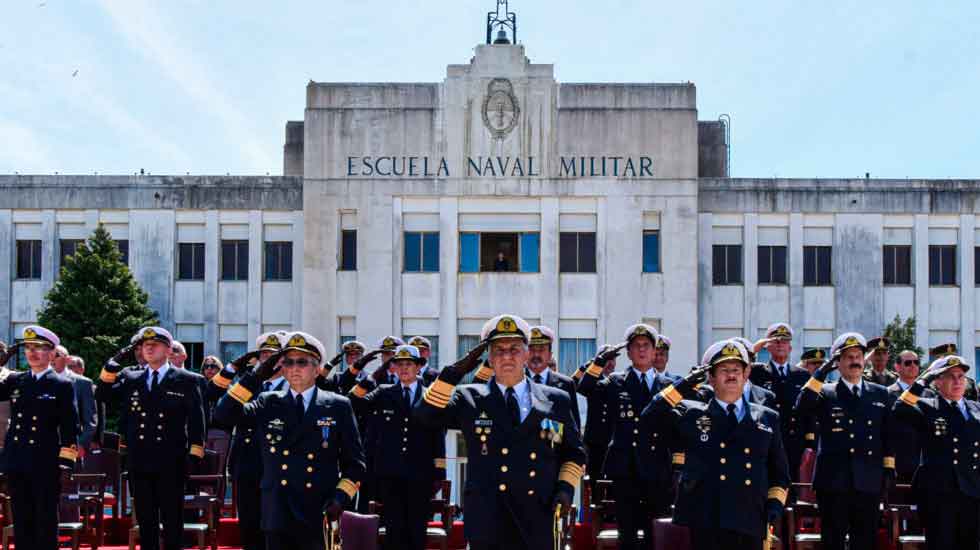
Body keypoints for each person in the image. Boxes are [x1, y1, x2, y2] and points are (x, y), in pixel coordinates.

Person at [415, 314, 586, 549]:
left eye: (514, 349)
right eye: (498, 350)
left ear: (527, 353)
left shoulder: (556, 399)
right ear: (489, 358)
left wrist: (565, 488)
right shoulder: (469, 398)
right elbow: (424, 416)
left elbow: (573, 453)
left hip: (538, 514)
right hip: (488, 518)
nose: (507, 356)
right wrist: (452, 374)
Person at [213, 331, 366, 550]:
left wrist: (340, 498)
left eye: (302, 362)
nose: (294, 368)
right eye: (288, 362)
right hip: (278, 509)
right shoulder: (267, 402)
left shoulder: (337, 405)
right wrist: (255, 377)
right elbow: (222, 416)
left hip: (318, 508)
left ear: (317, 368)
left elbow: (355, 464)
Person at [645, 339, 789, 550]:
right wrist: (683, 385)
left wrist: (774, 505)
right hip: (707, 517)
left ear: (746, 374)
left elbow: (780, 473)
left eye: (736, 369)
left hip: (751, 515)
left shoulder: (767, 418)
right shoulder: (692, 414)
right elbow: (649, 418)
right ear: (710, 378)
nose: (731, 375)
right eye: (723, 370)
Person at [96, 326, 206, 550]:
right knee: (146, 521)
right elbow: (103, 394)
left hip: (172, 461)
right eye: (145, 345)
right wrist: (112, 364)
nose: (148, 348)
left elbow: (197, 422)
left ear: (168, 350)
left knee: (172, 520)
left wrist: (194, 456)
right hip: (139, 460)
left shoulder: (186, 380)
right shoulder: (130, 377)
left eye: (154, 344)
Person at [575, 324, 674, 550]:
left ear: (654, 350)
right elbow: (585, 388)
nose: (641, 350)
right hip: (625, 469)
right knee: (627, 534)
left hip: (656, 469)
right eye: (636, 346)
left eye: (646, 346)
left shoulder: (667, 386)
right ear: (628, 353)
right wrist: (599, 362)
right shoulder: (615, 382)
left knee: (655, 533)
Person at [794, 332, 895, 550]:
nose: (855, 361)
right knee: (833, 540)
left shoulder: (880, 393)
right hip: (833, 481)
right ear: (837, 363)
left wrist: (887, 469)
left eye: (858, 356)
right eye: (848, 357)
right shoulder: (826, 392)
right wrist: (821, 372)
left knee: (865, 540)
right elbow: (801, 406)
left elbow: (888, 434)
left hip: (868, 479)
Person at [348, 345, 446, 550]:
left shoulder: (431, 395)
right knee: (393, 531)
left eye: (409, 364)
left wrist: (439, 473)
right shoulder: (384, 393)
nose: (404, 369)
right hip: (390, 474)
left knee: (417, 531)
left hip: (421, 475)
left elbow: (438, 436)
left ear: (419, 367)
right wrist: (371, 378)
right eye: (399, 364)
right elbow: (354, 403)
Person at [0, 326, 79, 550]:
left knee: (44, 519)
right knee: (22, 520)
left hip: (44, 461)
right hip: (16, 459)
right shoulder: (16, 380)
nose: (33, 353)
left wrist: (66, 462)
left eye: (40, 348)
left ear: (53, 353)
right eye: (29, 348)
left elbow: (70, 426)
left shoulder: (61, 384)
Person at [209, 331, 289, 550]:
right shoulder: (248, 385)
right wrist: (238, 371)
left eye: (273, 355)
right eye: (263, 355)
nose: (267, 360)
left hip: (279, 468)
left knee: (276, 527)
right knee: (249, 526)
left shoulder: (293, 386)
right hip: (247, 464)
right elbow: (219, 408)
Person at [893, 355, 980, 549]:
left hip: (972, 492)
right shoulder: (927, 406)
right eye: (950, 376)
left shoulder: (976, 409)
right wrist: (923, 379)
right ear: (938, 381)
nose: (957, 381)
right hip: (939, 494)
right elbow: (899, 408)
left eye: (961, 376)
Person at [750, 323, 810, 482]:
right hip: (767, 436)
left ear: (790, 347)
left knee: (794, 483)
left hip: (794, 439)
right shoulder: (757, 372)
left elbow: (808, 410)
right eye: (775, 341)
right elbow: (740, 366)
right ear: (767, 347)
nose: (780, 344)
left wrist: (809, 442)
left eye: (784, 341)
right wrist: (754, 349)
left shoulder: (802, 375)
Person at [574, 345, 617, 497]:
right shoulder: (591, 379)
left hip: (612, 442)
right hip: (593, 442)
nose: (610, 363)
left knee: (612, 482)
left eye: (613, 360)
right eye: (607, 360)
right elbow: (578, 385)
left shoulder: (616, 380)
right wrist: (595, 362)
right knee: (594, 481)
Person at [526, 326, 580, 428]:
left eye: (541, 350)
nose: (536, 354)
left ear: (550, 355)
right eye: (531, 350)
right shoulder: (515, 381)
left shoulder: (566, 384)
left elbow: (574, 426)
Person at [887, 350, 928, 484]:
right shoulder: (887, 393)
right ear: (897, 367)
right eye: (908, 363)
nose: (913, 366)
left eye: (916, 362)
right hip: (900, 461)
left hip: (926, 461)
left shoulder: (929, 394)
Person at [51, 345, 98, 453]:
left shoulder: (83, 383)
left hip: (71, 446)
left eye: (56, 355)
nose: (52, 359)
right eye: (50, 355)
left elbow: (90, 420)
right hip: (44, 445)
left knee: (68, 470)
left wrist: (81, 443)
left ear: (67, 359)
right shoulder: (42, 380)